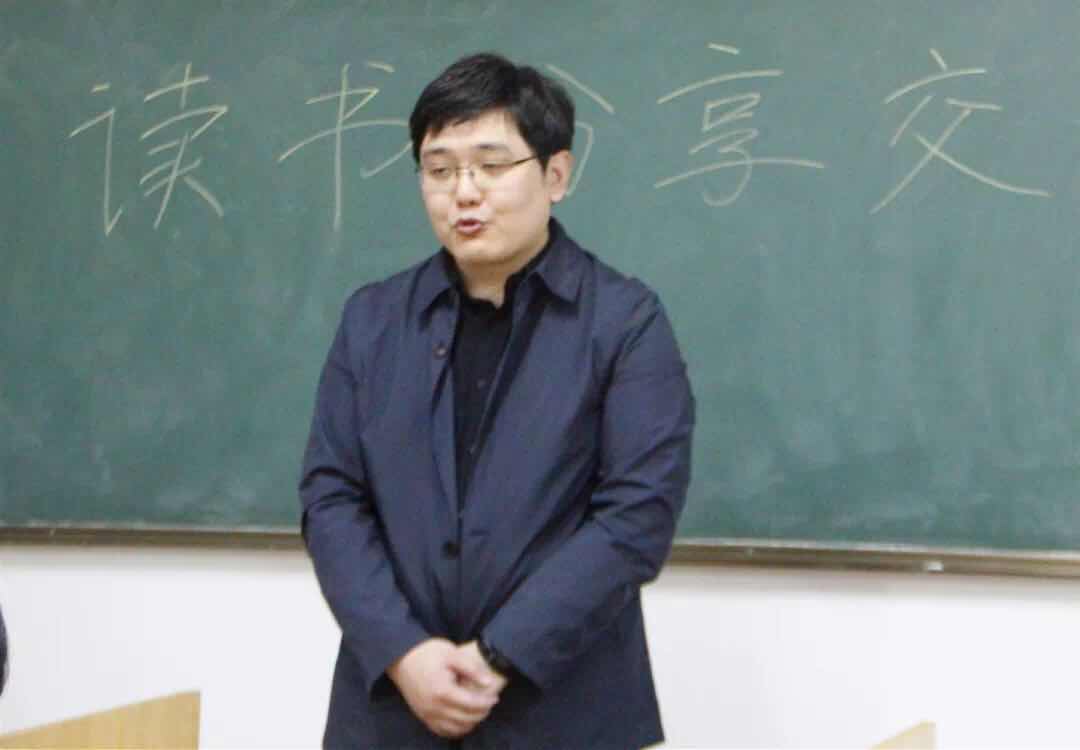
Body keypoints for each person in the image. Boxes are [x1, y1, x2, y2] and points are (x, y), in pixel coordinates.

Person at [299, 52, 695, 749]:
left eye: (490, 165)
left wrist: (498, 656)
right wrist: (404, 653)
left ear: (556, 175)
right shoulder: (373, 321)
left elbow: (637, 515)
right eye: (440, 169)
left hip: (562, 711)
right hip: (391, 712)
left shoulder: (624, 322)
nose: (464, 192)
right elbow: (331, 498)